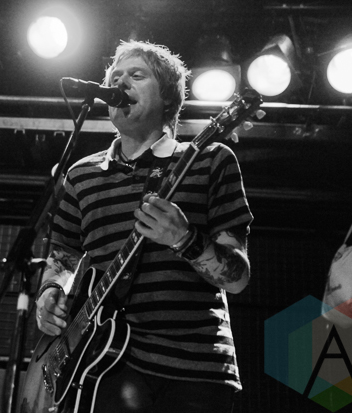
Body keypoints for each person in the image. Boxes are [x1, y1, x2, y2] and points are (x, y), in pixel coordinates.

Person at [34, 40, 253, 413]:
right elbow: (63, 254)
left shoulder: (211, 160)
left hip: (194, 370)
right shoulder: (81, 175)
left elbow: (237, 278)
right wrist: (49, 292)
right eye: (114, 78)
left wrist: (184, 239)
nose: (120, 84)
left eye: (136, 75)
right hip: (100, 364)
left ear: (168, 98)